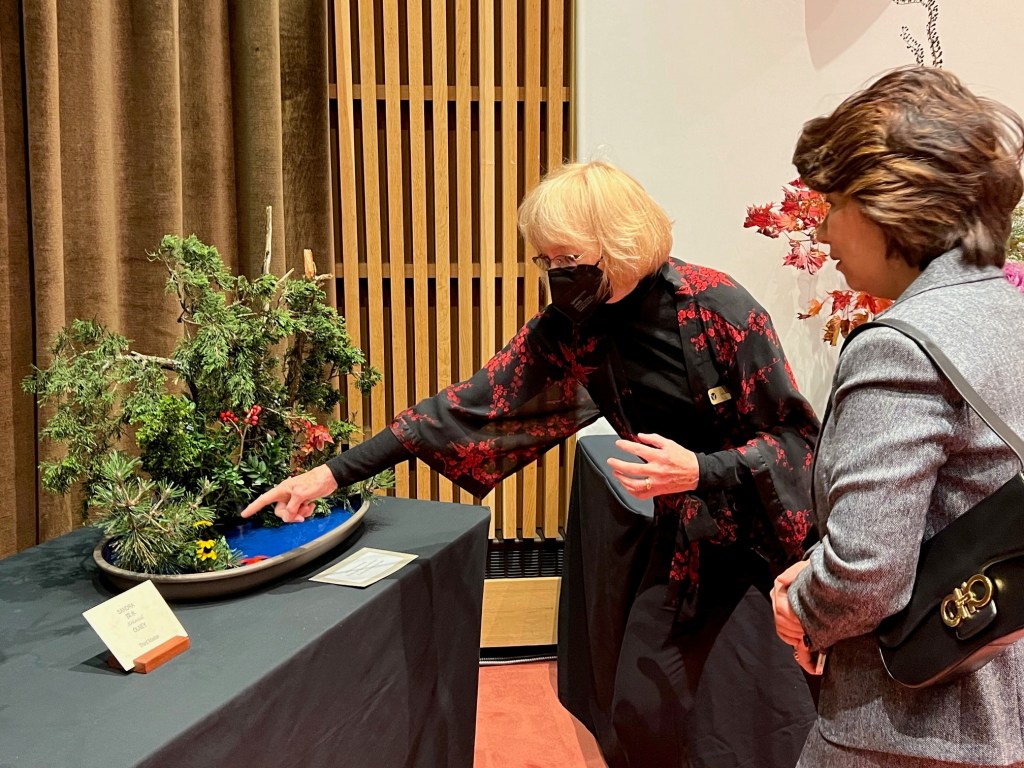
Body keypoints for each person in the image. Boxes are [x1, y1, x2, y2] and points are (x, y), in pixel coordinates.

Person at [243, 160, 820, 767]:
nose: (556, 274)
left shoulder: (716, 307)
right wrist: (327, 475)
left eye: (567, 256)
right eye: (546, 260)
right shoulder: (572, 328)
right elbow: (460, 407)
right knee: (641, 706)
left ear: (618, 240)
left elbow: (798, 440)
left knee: (769, 720)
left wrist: (703, 470)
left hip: (767, 545)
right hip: (684, 540)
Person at [770, 67, 1024, 767]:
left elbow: (866, 572)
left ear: (893, 202)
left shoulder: (901, 346)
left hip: (904, 728)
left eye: (834, 203)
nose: (821, 228)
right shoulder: (1006, 312)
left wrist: (802, 608)